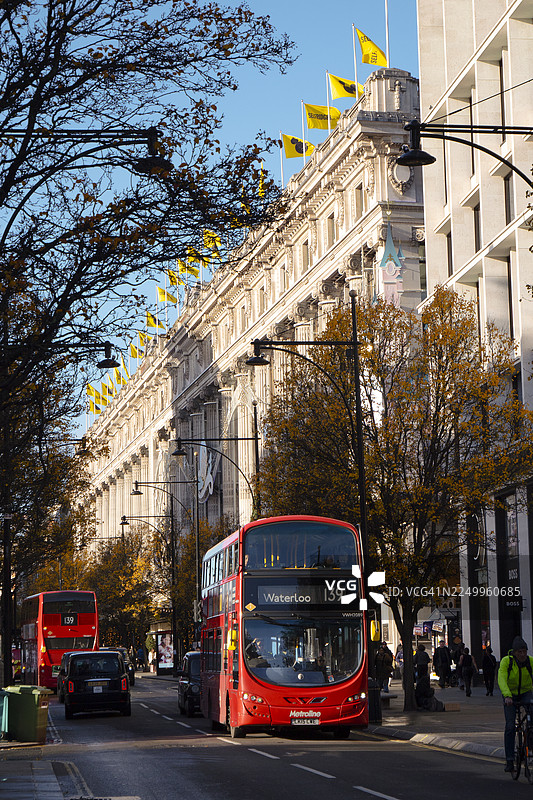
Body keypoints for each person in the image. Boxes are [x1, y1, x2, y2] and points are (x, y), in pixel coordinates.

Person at [498, 636, 533, 773]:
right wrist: (507, 696)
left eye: (524, 651)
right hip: (510, 695)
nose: (523, 654)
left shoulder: (530, 662)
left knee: (531, 720)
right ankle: (510, 760)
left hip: (525, 692)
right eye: (520, 652)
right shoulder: (507, 662)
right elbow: (501, 679)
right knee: (511, 726)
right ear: (514, 652)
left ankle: (529, 744)